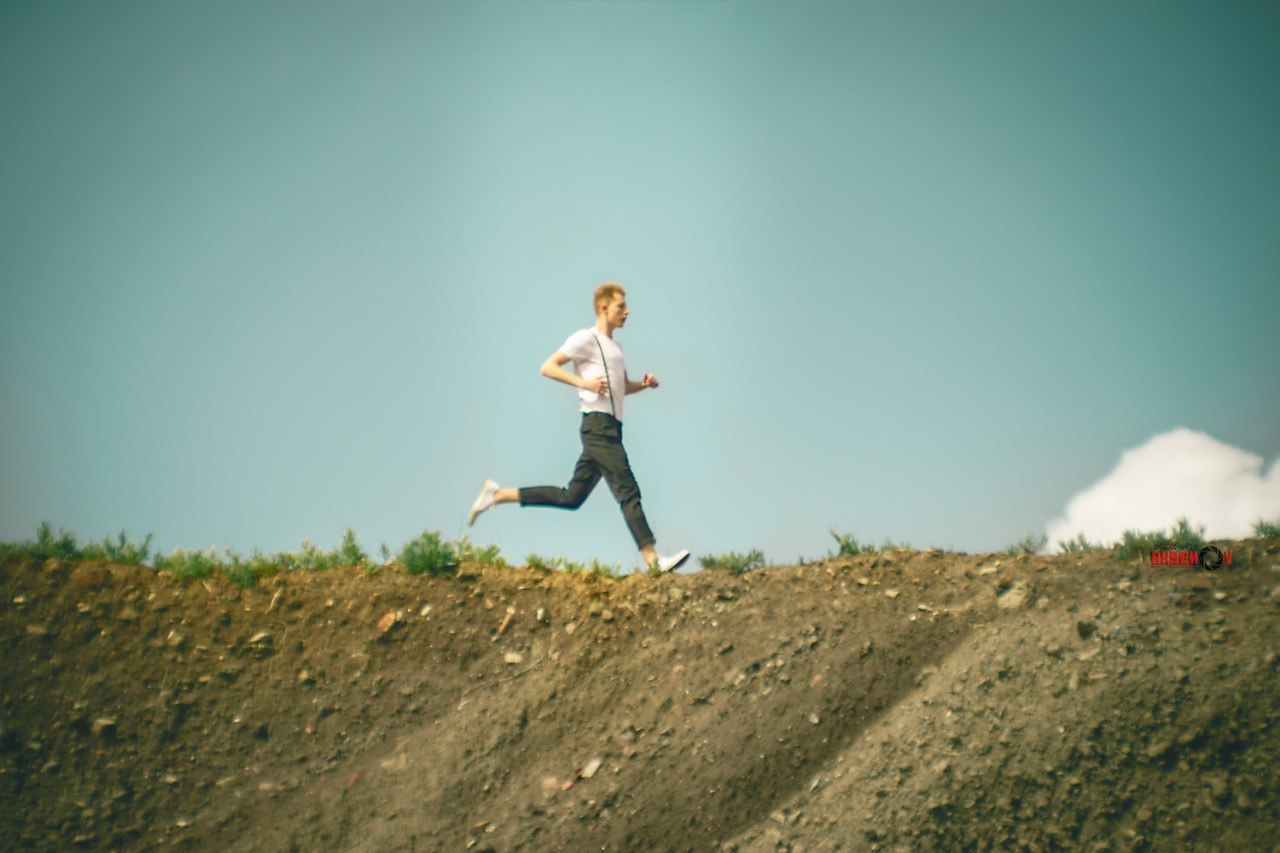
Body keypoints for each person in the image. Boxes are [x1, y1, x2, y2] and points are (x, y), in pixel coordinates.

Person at [467, 282, 690, 573]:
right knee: (627, 489)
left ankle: (497, 495)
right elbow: (548, 366)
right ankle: (653, 560)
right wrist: (584, 383)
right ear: (603, 308)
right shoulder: (586, 338)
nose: (627, 311)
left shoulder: (616, 347)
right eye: (621, 306)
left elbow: (619, 388)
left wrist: (642, 385)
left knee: (571, 497)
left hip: (611, 428)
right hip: (596, 427)